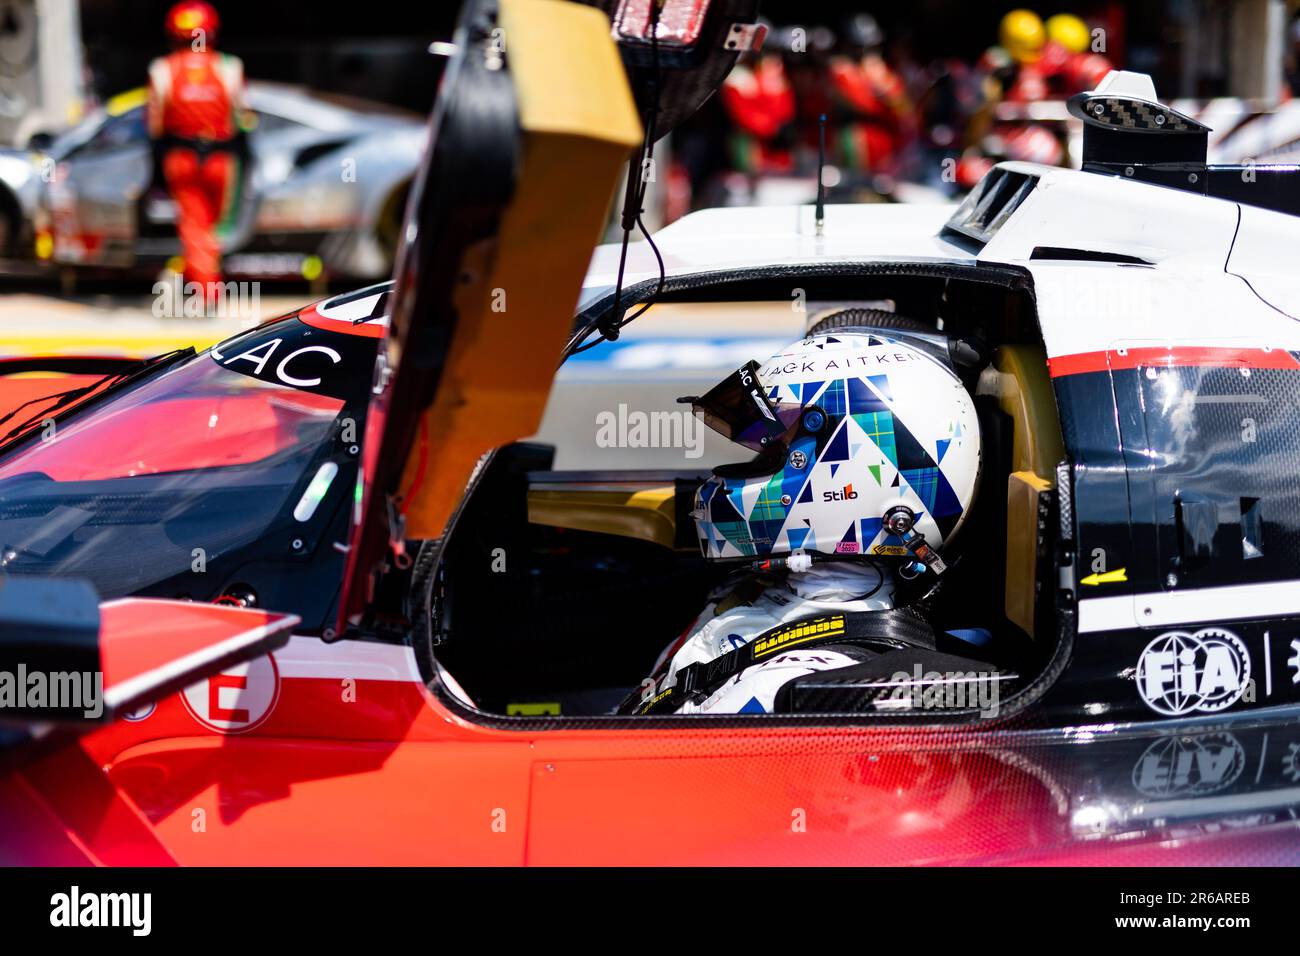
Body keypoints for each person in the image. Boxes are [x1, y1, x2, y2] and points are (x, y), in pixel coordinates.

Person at [620, 321, 982, 715]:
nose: (758, 466)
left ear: (849, 471)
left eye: (777, 453)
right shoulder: (755, 587)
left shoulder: (783, 688)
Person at [147, 1, 247, 308]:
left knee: (195, 225)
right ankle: (205, 288)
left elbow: (155, 123)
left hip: (182, 158)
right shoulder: (230, 67)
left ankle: (203, 289)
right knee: (211, 226)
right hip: (221, 158)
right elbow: (241, 116)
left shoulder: (162, 70)